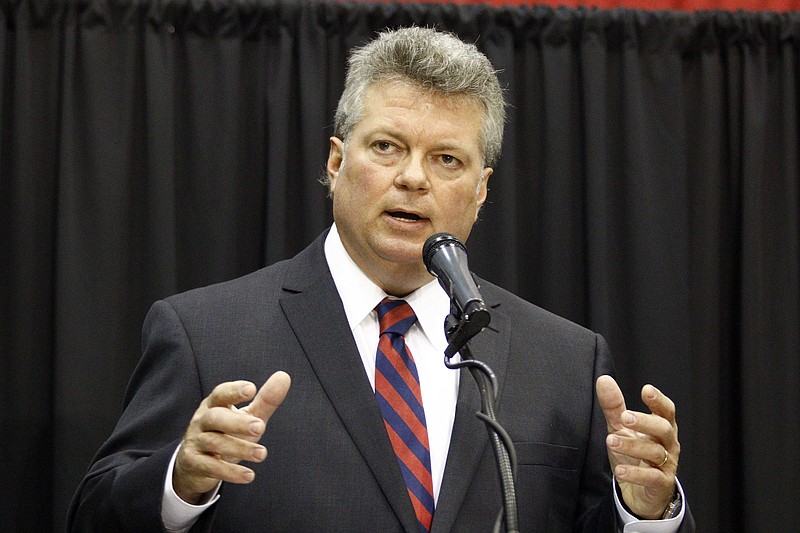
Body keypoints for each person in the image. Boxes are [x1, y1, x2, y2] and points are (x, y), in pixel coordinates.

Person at [68, 27, 695, 532]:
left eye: (446, 159)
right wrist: (182, 481)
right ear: (337, 163)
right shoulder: (205, 333)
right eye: (388, 147)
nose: (414, 179)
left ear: (480, 191)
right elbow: (94, 515)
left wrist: (642, 514)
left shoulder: (565, 359)